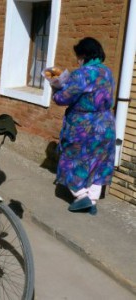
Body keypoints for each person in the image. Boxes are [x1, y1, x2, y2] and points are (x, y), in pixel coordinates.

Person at [52, 37, 116, 215]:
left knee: (70, 159)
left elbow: (64, 98)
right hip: (106, 123)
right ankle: (93, 200)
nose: (77, 60)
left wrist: (56, 88)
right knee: (99, 161)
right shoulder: (107, 72)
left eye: (78, 56)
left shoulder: (82, 74)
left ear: (84, 55)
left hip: (84, 126)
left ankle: (81, 196)